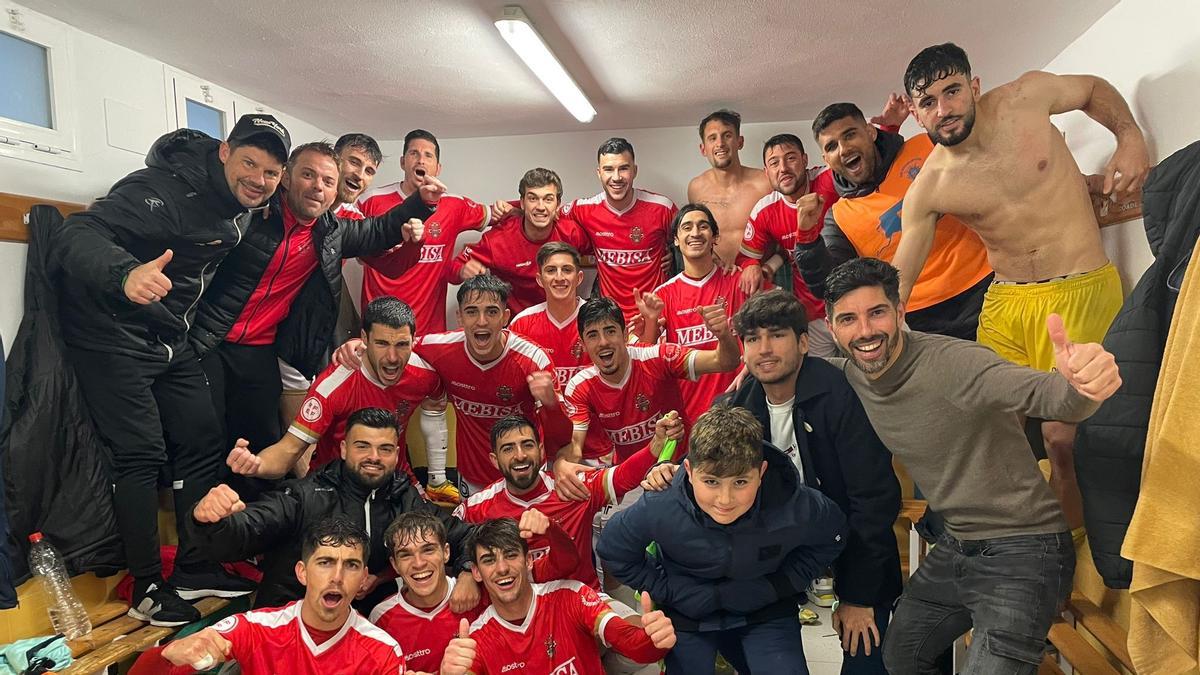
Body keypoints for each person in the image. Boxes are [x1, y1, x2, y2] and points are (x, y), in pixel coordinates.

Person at [893, 43, 1149, 534]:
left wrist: (1129, 137)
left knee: (1061, 439)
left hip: (1078, 289)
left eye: (952, 91)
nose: (943, 109)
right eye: (928, 102)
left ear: (974, 87)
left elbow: (1091, 89)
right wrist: (879, 323)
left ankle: (1071, 549)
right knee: (991, 432)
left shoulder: (1026, 98)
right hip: (1007, 302)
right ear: (915, 113)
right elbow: (902, 275)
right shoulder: (931, 186)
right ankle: (1015, 543)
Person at [821, 258, 1121, 674]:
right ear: (831, 328)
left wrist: (1084, 385)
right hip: (957, 546)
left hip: (1026, 550)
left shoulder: (955, 363)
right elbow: (792, 367)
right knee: (901, 655)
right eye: (848, 319)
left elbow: (1053, 397)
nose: (865, 331)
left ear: (900, 312)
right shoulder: (848, 374)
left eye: (877, 313)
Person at [48, 113, 291, 625]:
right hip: (111, 335)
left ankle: (195, 565)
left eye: (271, 173)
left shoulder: (244, 208)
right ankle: (147, 587)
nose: (258, 179)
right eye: (250, 163)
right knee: (140, 454)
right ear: (224, 152)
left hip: (169, 337)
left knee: (203, 438)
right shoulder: (160, 190)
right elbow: (77, 232)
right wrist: (124, 275)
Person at [190, 140, 441, 463]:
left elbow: (381, 236)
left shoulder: (334, 228)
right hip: (211, 340)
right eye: (309, 175)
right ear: (286, 177)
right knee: (205, 437)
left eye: (368, 171)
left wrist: (420, 206)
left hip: (278, 344)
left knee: (261, 436)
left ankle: (263, 492)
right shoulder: (252, 213)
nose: (319, 186)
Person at [724, 289, 901, 673]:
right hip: (775, 556)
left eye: (777, 335)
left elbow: (874, 501)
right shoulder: (739, 405)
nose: (764, 349)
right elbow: (705, 472)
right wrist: (664, 467)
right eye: (753, 339)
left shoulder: (841, 395)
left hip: (853, 546)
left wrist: (858, 597)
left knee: (866, 658)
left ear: (804, 342)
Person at [597, 404, 847, 674]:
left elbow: (832, 537)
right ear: (689, 471)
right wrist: (667, 588)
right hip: (688, 614)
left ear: (761, 472)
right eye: (711, 482)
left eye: (740, 482)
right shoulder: (662, 503)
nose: (725, 500)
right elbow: (614, 549)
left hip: (765, 608)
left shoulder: (794, 503)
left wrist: (784, 582)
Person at [188, 407, 479, 612]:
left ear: (396, 454)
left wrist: (467, 571)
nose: (374, 457)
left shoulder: (405, 498)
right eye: (362, 446)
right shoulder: (305, 495)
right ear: (343, 449)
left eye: (385, 449)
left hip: (364, 632)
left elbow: (466, 536)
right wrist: (209, 520)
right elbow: (245, 531)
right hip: (291, 626)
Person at [800, 102, 992, 340]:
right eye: (831, 146)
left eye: (850, 135)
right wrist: (806, 239)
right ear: (826, 160)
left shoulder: (925, 145)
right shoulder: (839, 217)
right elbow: (829, 285)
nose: (843, 148)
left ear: (871, 132)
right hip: (925, 317)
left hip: (989, 283)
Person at [130, 518, 405, 674]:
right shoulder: (256, 629)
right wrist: (166, 654)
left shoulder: (382, 651)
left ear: (363, 578)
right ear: (302, 572)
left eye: (351, 565)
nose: (337, 576)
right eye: (325, 562)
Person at [226, 297, 444, 493]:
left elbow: (436, 404)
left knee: (425, 524)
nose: (393, 357)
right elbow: (289, 449)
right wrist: (257, 465)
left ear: (413, 340)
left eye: (402, 344)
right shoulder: (333, 385)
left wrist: (437, 476)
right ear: (365, 338)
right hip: (335, 485)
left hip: (395, 479)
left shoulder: (425, 374)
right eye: (382, 343)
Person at [455, 414, 676, 591]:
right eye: (508, 449)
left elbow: (622, 477)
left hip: (583, 601)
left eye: (527, 445)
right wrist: (466, 573)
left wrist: (656, 445)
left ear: (541, 451)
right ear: (494, 460)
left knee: (637, 629)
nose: (520, 455)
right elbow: (448, 540)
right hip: (518, 610)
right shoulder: (476, 508)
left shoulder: (572, 486)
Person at [439, 518, 678, 675]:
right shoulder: (476, 640)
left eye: (511, 555)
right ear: (476, 572)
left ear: (529, 561)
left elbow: (633, 644)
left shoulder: (569, 596)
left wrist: (653, 641)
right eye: (489, 560)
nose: (502, 568)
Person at [558, 295, 740, 497]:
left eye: (610, 331)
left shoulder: (658, 357)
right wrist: (560, 464)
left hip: (681, 470)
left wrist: (724, 335)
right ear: (583, 344)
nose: (603, 342)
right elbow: (575, 447)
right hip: (631, 479)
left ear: (625, 335)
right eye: (593, 335)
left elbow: (725, 361)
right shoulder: (580, 387)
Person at [412, 274, 570, 495]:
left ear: (505, 317)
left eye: (492, 312)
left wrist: (551, 405)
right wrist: (360, 347)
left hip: (525, 475)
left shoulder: (533, 360)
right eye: (471, 312)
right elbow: (397, 350)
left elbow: (564, 439)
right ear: (459, 317)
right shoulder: (438, 348)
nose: (482, 321)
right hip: (474, 479)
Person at [370, 509, 579, 673]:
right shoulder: (381, 619)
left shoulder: (490, 585)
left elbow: (565, 564)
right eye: (406, 555)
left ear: (446, 552)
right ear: (394, 565)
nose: (419, 563)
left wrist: (551, 529)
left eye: (428, 550)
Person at [278, 133, 388, 437]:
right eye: (354, 162)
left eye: (369, 171)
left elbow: (383, 255)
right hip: (276, 316)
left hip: (314, 314)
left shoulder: (351, 217)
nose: (359, 175)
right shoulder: (288, 204)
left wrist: (410, 236)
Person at [358, 128, 490, 333]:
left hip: (429, 331)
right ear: (403, 162)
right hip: (379, 329)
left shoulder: (454, 205)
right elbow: (350, 249)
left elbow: (498, 214)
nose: (421, 160)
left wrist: (530, 203)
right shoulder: (370, 201)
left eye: (428, 155)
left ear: (438, 168)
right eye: (414, 153)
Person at [635, 203, 750, 424]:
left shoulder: (738, 282)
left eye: (703, 226)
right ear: (676, 240)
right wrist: (649, 323)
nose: (695, 233)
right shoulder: (662, 295)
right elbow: (648, 361)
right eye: (687, 227)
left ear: (715, 237)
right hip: (688, 415)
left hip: (738, 408)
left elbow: (772, 325)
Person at [735, 134, 839, 356]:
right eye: (774, 163)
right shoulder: (765, 210)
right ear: (767, 172)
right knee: (824, 373)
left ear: (805, 160)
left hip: (852, 302)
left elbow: (861, 161)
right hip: (813, 315)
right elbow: (745, 257)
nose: (783, 168)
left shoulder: (828, 179)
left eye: (790, 158)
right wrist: (752, 265)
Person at [509, 242, 611, 460]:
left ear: (579, 277)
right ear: (540, 279)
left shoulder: (598, 320)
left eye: (566, 270)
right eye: (551, 270)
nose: (559, 277)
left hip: (596, 446)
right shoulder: (521, 324)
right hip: (542, 450)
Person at [452, 168, 592, 314]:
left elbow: (602, 252)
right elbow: (453, 270)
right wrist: (462, 271)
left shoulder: (571, 233)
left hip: (563, 319)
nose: (541, 207)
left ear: (557, 204)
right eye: (533, 199)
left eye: (548, 199)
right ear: (522, 203)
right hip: (516, 323)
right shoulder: (499, 239)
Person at [567, 137, 678, 320]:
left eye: (623, 168)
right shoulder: (584, 209)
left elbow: (690, 237)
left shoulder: (662, 207)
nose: (616, 177)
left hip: (655, 316)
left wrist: (673, 254)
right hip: (610, 318)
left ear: (634, 171)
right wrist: (517, 208)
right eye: (608, 169)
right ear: (599, 173)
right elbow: (545, 215)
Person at [686, 109, 772, 263]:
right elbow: (696, 234)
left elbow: (784, 232)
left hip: (759, 271)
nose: (720, 143)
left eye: (727, 135)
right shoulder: (696, 188)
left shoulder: (765, 183)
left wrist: (768, 268)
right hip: (715, 273)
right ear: (703, 149)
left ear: (740, 142)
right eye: (712, 138)